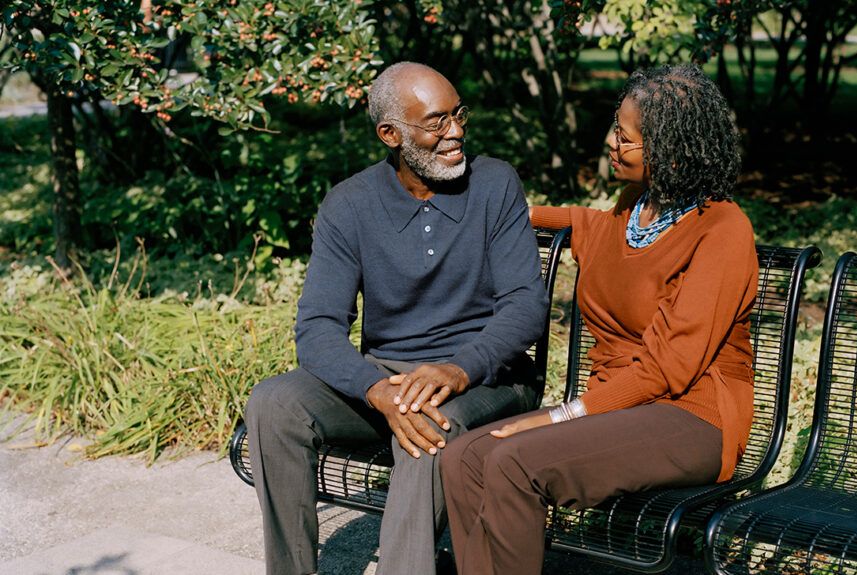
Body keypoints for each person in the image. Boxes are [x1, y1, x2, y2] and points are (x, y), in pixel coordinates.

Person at [440, 63, 759, 575]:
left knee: (514, 460)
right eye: (615, 127)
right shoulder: (635, 204)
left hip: (693, 419)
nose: (611, 142)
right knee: (464, 457)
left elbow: (668, 370)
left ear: (670, 151)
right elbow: (589, 226)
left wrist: (560, 414)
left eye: (625, 137)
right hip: (619, 406)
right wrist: (501, 211)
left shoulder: (722, 229)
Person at [243, 62, 548, 575]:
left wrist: (457, 369)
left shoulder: (495, 183)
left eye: (458, 115)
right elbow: (317, 327)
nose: (455, 133)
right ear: (390, 134)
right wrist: (377, 391)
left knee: (424, 425)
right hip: (391, 376)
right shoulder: (349, 204)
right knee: (274, 403)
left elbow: (526, 306)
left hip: (488, 377)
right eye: (436, 122)